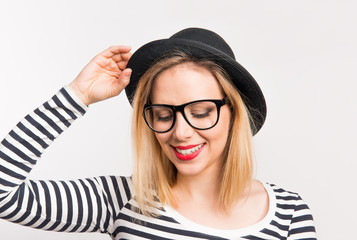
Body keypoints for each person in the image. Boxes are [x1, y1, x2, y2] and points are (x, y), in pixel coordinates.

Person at [0, 28, 317, 239]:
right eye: (163, 115)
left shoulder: (288, 213)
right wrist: (78, 94)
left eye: (200, 112)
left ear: (233, 113)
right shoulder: (123, 200)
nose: (180, 133)